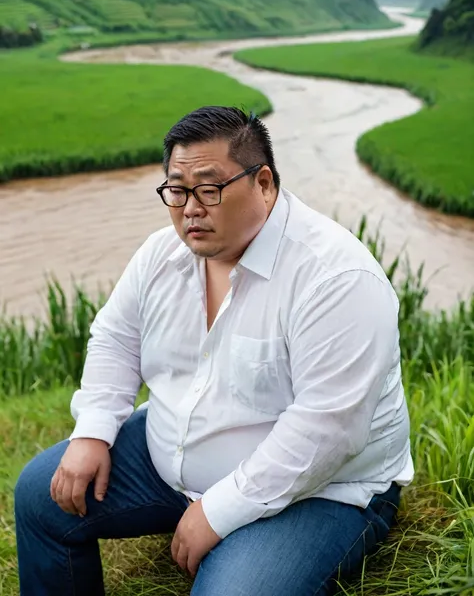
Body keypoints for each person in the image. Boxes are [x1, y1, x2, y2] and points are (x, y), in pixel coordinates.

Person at [15, 106, 414, 596]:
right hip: (172, 455)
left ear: (264, 183)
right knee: (41, 495)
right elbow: (116, 339)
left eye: (209, 188)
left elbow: (328, 428)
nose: (190, 209)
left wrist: (218, 511)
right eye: (177, 190)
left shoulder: (336, 278)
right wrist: (93, 431)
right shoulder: (161, 254)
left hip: (319, 490)